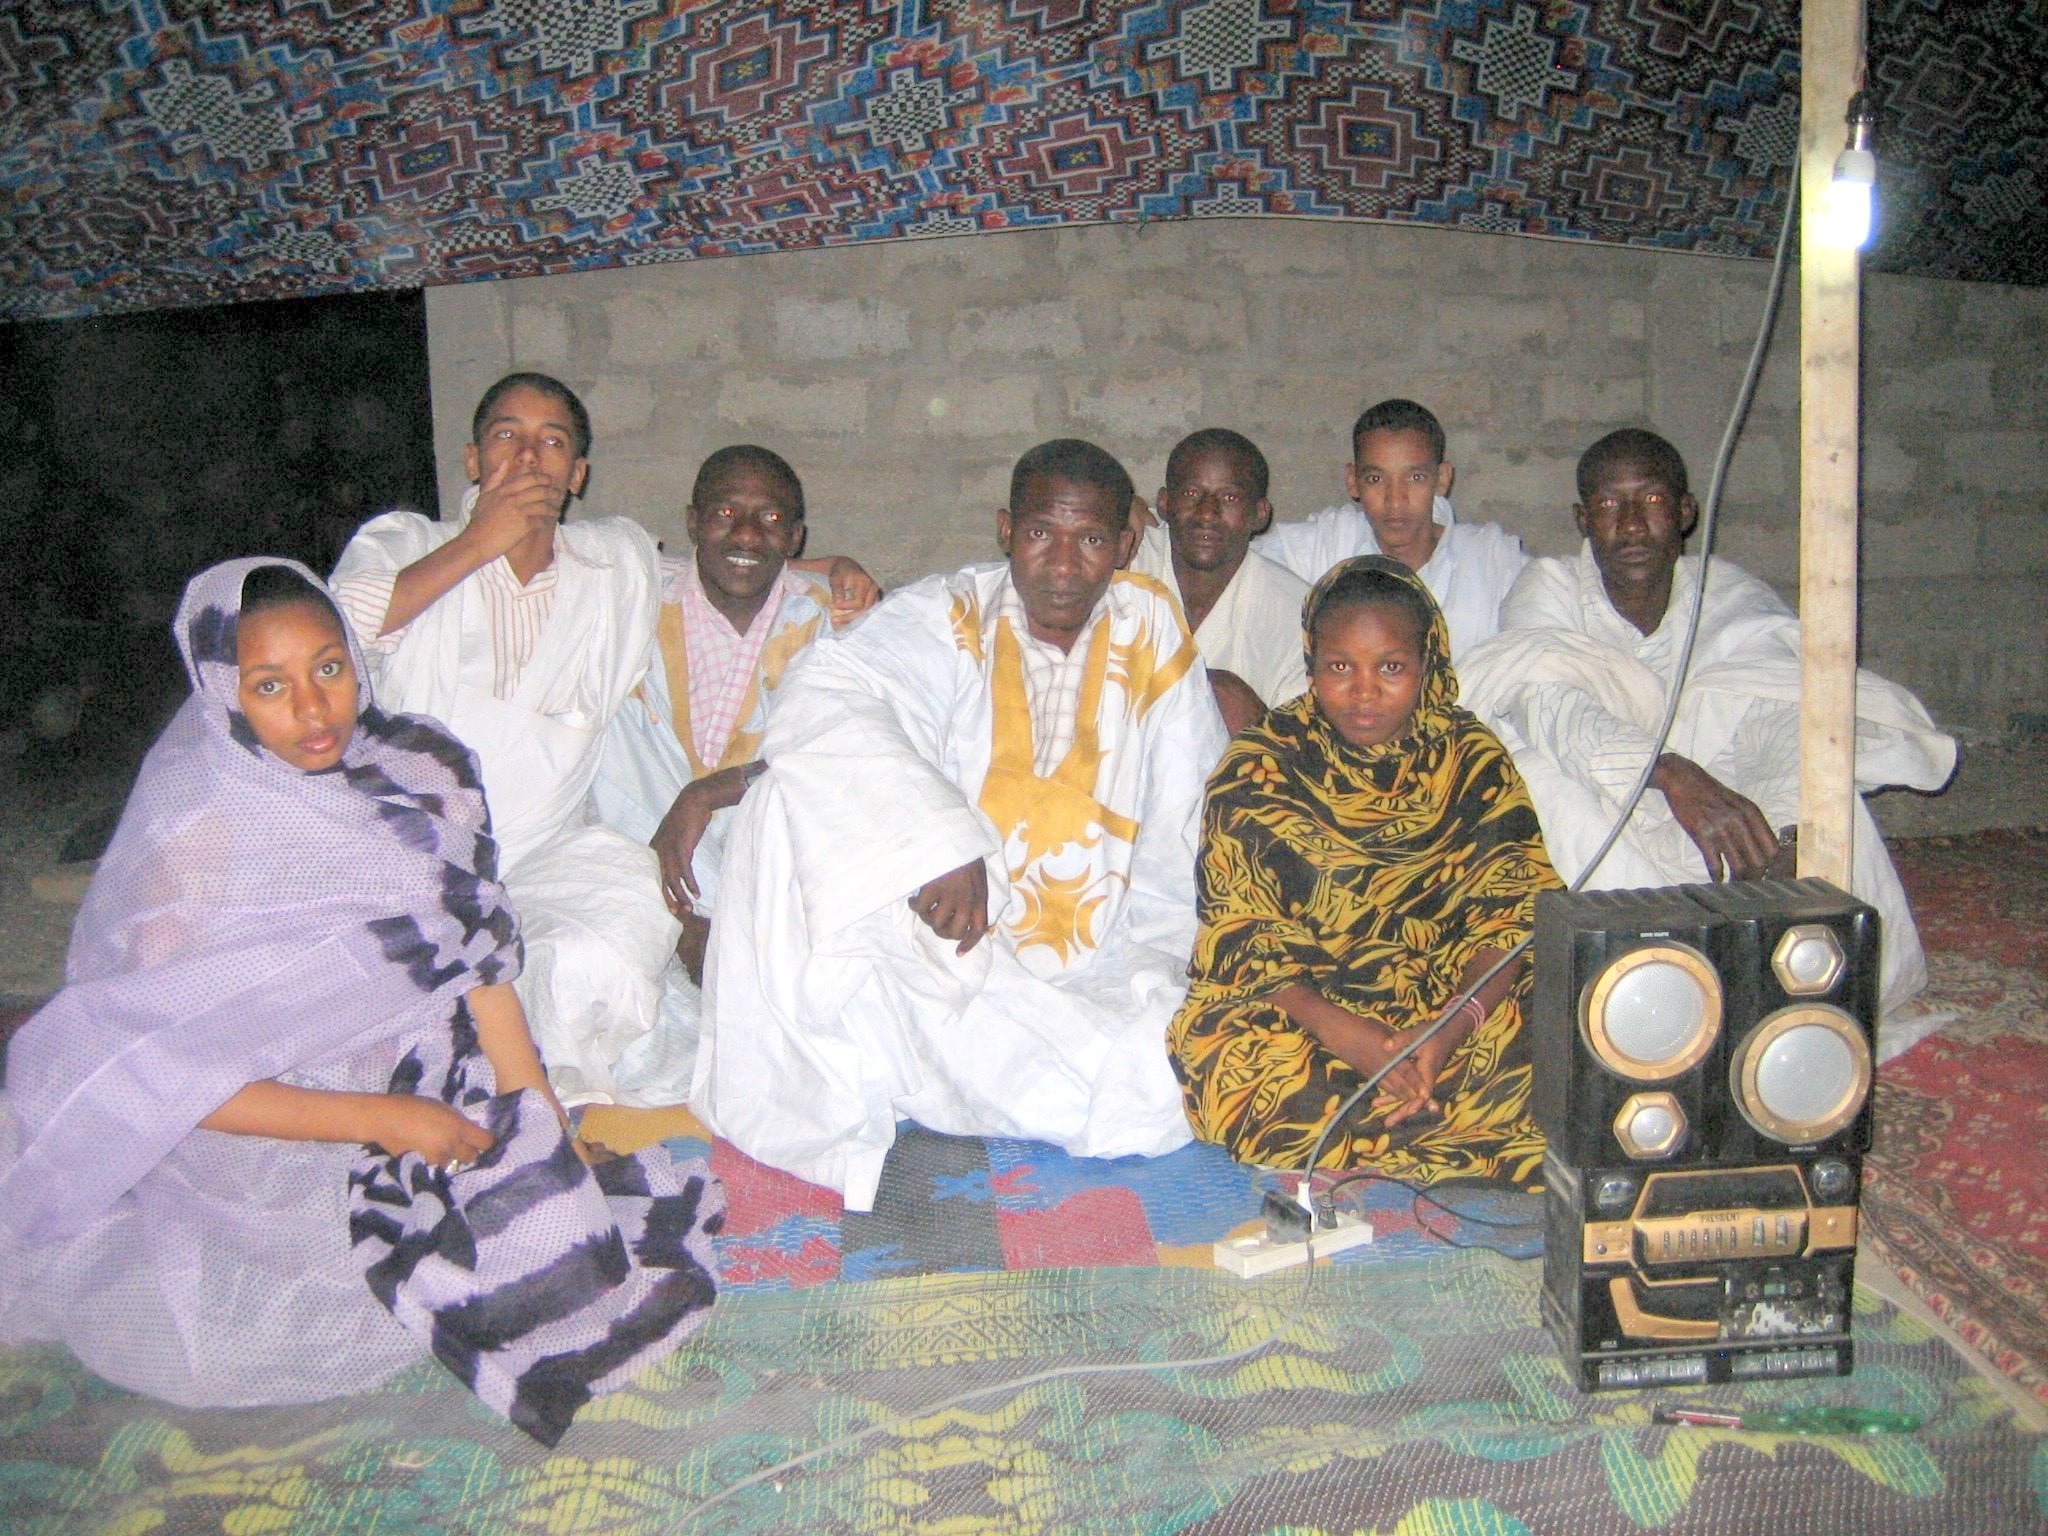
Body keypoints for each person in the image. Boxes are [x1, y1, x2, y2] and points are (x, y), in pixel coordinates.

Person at [0, 559, 723, 1446]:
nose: (313, 710)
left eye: (329, 669)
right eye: (270, 686)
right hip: (268, 1135)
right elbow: (172, 1087)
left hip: (423, 1077)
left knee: (569, 1258)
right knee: (244, 1346)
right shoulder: (196, 843)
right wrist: (387, 1120)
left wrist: (540, 1124)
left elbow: (480, 969)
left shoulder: (420, 775)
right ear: (223, 692)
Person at [692, 439, 1230, 1210]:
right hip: (947, 946)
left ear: (1124, 545)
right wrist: (938, 842)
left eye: (1092, 541)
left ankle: (953, 1074)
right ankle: (874, 1075)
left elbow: (1188, 823)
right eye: (1044, 533)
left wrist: (1169, 967)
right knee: (782, 803)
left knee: (1159, 1078)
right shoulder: (951, 611)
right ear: (1006, 530)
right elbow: (824, 691)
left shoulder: (1152, 627)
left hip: (1103, 957)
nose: (1065, 564)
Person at [1458, 428, 1956, 1014]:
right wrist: (1670, 775)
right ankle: (1659, 986)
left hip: (1730, 815)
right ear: (1582, 519)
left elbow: (1779, 717)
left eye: (1651, 501)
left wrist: (1790, 838)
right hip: (1615, 804)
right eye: (1610, 505)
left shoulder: (1726, 593)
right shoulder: (1549, 588)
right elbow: (1551, 708)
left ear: (1686, 512)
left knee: (1822, 775)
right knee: (1533, 769)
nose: (1633, 524)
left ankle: (1811, 973)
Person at [1170, 557, 1556, 1184]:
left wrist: (1446, 1032)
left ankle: (1400, 1110)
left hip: (1453, 1007)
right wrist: (1354, 1038)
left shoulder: (1471, 758)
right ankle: (1438, 1122)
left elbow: (1515, 919)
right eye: (1340, 667)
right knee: (1241, 1061)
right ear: (1311, 664)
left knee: (1570, 1025)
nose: (1365, 691)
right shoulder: (1261, 766)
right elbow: (1243, 939)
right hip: (1311, 1013)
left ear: (1426, 663)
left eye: (1392, 668)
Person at [589, 445, 837, 1102]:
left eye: (770, 517)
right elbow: (616, 779)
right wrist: (678, 915)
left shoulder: (829, 620)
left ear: (795, 536)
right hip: (648, 863)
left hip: (774, 871)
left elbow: (839, 758)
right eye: (728, 512)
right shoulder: (634, 608)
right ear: (694, 521)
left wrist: (709, 792)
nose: (749, 535)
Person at [1254, 399, 1527, 660]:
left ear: (1442, 479)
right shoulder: (1325, 545)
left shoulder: (1495, 563)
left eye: (1415, 478)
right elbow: (1235, 567)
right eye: (1376, 479)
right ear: (1353, 481)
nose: (1395, 499)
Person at [1128, 427, 1309, 733]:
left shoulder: (1296, 611)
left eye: (1229, 497)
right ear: (1164, 503)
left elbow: (1302, 746)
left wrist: (1246, 712)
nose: (1207, 513)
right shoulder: (1125, 559)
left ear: (1260, 513)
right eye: (1191, 493)